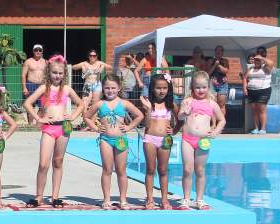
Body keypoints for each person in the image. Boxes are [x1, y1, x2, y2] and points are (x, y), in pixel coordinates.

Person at [23, 55, 85, 208]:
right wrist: (39, 118)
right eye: (54, 72)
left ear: (64, 74)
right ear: (48, 73)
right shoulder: (44, 88)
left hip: (63, 129)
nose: (57, 76)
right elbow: (27, 103)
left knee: (58, 162)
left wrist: (72, 116)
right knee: (43, 164)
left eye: (60, 73)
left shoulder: (67, 89)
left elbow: (81, 104)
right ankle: (38, 196)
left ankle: (55, 196)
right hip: (49, 129)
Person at [84, 75, 143, 210]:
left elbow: (140, 115)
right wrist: (96, 128)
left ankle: (123, 199)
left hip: (121, 139)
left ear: (119, 88)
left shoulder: (124, 103)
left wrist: (128, 127)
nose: (110, 91)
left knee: (121, 170)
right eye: (107, 88)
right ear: (103, 89)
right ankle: (107, 199)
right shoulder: (99, 104)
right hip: (105, 140)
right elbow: (86, 116)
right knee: (107, 169)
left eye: (113, 88)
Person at [178, 72, 226, 209]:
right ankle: (186, 199)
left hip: (203, 140)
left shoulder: (212, 104)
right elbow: (180, 117)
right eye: (197, 87)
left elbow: (222, 120)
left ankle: (199, 199)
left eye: (204, 87)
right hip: (187, 139)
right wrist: (184, 113)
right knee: (187, 170)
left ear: (208, 87)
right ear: (192, 87)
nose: (201, 90)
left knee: (200, 170)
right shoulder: (188, 101)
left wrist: (216, 131)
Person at [139, 76, 178, 210]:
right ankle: (149, 199)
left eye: (164, 88)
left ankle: (164, 199)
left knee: (163, 170)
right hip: (150, 138)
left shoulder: (171, 105)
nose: (161, 91)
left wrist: (174, 130)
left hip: (165, 140)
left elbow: (181, 120)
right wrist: (149, 109)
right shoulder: (148, 104)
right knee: (150, 170)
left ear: (169, 89)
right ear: (152, 89)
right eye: (158, 88)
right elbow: (147, 124)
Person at [243, 50, 274, 134]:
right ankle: (256, 128)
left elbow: (271, 63)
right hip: (251, 91)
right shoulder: (251, 68)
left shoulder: (266, 68)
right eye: (255, 60)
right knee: (255, 111)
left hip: (263, 91)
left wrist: (261, 58)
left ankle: (263, 129)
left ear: (261, 61)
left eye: (258, 60)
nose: (256, 61)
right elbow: (245, 78)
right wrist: (245, 88)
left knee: (261, 110)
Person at [72, 49, 109, 116]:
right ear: (88, 56)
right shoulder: (85, 63)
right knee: (84, 103)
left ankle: (92, 121)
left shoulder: (99, 63)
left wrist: (103, 67)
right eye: (90, 56)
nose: (92, 57)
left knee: (95, 104)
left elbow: (110, 67)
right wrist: (83, 67)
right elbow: (73, 67)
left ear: (96, 56)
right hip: (87, 85)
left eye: (94, 56)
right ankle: (85, 120)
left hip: (97, 85)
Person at [21, 45, 47, 124]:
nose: (38, 52)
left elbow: (49, 75)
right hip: (31, 84)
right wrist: (24, 87)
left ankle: (38, 125)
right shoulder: (28, 61)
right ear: (33, 51)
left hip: (42, 86)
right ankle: (30, 125)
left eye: (40, 50)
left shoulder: (46, 62)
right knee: (30, 106)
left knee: (42, 106)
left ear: (42, 51)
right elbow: (23, 75)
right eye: (36, 50)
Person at [208, 45, 230, 117]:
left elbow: (225, 71)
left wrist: (219, 65)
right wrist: (215, 65)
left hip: (222, 84)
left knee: (221, 104)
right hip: (212, 85)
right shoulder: (210, 61)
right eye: (217, 50)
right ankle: (213, 124)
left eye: (220, 50)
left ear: (222, 52)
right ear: (214, 51)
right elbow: (208, 73)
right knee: (212, 104)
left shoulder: (225, 61)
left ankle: (221, 123)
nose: (218, 52)